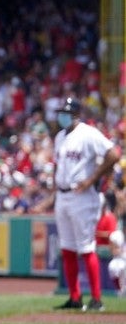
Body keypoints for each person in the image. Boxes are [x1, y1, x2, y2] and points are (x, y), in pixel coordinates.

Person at [50, 97, 121, 312]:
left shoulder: (88, 133)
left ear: (76, 114)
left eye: (66, 112)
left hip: (82, 195)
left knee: (86, 247)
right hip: (63, 194)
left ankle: (97, 299)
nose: (62, 115)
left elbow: (113, 154)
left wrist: (92, 180)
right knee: (67, 248)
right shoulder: (60, 137)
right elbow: (57, 166)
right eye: (61, 111)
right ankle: (75, 297)